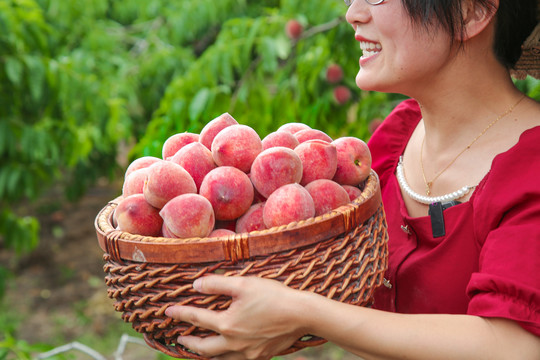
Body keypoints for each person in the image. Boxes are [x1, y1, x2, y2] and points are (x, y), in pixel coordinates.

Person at [165, 0, 540, 358]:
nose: (353, 14)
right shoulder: (396, 140)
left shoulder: (531, 167)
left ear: (472, 10)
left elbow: (514, 346)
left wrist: (304, 313)